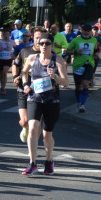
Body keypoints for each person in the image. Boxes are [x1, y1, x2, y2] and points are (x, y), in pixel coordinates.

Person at [21, 34, 69, 175]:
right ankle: (32, 163)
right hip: (34, 98)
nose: (43, 45)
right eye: (41, 43)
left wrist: (55, 77)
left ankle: (49, 161)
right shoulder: (32, 58)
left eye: (47, 43)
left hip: (52, 101)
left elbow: (66, 83)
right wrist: (25, 85)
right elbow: (23, 72)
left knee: (46, 135)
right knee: (32, 129)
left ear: (52, 45)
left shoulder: (57, 60)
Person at [12, 26, 43, 142]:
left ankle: (33, 147)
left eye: (41, 38)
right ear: (32, 38)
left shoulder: (50, 54)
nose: (38, 41)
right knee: (25, 121)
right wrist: (15, 77)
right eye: (36, 38)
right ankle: (25, 129)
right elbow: (15, 64)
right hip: (23, 89)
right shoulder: (25, 51)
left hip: (40, 91)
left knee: (36, 123)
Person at [68, 24, 100, 113]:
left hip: (89, 64)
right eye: (84, 30)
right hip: (78, 65)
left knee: (85, 84)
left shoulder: (94, 40)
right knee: (78, 86)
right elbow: (67, 51)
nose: (86, 32)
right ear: (81, 31)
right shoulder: (76, 40)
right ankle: (79, 102)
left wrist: (97, 54)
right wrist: (75, 51)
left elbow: (97, 49)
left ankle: (82, 104)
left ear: (90, 31)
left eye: (88, 31)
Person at [0, 27, 15, 95]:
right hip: (0, 59)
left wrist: (14, 55)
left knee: (4, 73)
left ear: (9, 35)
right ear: (3, 35)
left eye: (8, 34)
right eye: (5, 34)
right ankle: (2, 86)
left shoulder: (12, 41)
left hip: (8, 59)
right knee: (1, 74)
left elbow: (16, 49)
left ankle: (3, 88)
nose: (6, 35)